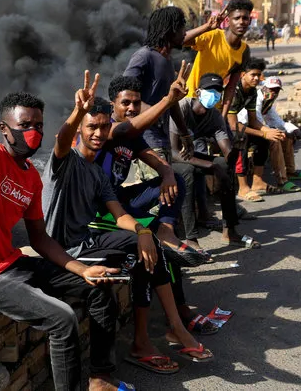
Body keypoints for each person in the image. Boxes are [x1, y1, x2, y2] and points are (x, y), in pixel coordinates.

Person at [0, 56, 132, 391]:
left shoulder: (32, 177)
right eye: (25, 125)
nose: (34, 133)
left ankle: (101, 377)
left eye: (39, 126)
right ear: (5, 129)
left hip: (12, 263)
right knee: (61, 319)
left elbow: (40, 239)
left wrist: (82, 270)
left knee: (100, 288)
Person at [42, 71, 213, 375]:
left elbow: (119, 212)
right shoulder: (67, 160)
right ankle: (163, 332)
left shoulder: (98, 174)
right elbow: (62, 139)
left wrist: (142, 229)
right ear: (82, 128)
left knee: (151, 246)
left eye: (102, 127)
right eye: (91, 126)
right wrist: (78, 112)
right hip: (64, 249)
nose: (98, 133)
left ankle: (157, 334)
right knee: (146, 251)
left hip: (89, 240)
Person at [92, 73, 219, 336]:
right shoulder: (108, 129)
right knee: (155, 248)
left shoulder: (133, 136)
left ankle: (166, 228)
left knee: (180, 178)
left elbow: (155, 159)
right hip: (97, 210)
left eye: (136, 103)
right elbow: (127, 129)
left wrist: (168, 173)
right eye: (125, 102)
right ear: (113, 104)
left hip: (118, 199)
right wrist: (168, 100)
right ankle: (180, 313)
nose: (131, 108)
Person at [123, 6, 221, 181]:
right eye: (182, 27)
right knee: (156, 201)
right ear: (169, 30)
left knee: (167, 198)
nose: (185, 32)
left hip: (163, 140)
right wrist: (157, 112)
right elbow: (125, 95)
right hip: (146, 142)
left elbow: (172, 102)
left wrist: (185, 134)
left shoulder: (167, 61)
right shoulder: (144, 57)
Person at [170, 73, 259, 251]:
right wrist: (210, 165)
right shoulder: (182, 107)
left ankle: (230, 231)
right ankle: (191, 238)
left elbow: (226, 151)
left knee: (225, 166)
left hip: (190, 155)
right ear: (198, 92)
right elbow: (173, 152)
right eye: (210, 90)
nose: (214, 94)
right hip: (167, 157)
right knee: (187, 171)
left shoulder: (215, 116)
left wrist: (235, 149)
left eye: (218, 91)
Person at [238, 77, 301, 190]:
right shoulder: (257, 100)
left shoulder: (267, 102)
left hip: (255, 130)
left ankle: (290, 172)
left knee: (287, 137)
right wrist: (273, 133)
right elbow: (257, 123)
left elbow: (277, 121)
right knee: (275, 140)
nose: (273, 93)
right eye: (271, 89)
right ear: (264, 88)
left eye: (276, 90)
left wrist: (292, 130)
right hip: (243, 132)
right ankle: (281, 180)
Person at [225, 58, 285, 202]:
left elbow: (253, 120)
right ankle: (243, 187)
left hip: (232, 126)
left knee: (263, 140)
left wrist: (269, 132)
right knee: (241, 138)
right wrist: (264, 132)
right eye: (253, 75)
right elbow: (233, 125)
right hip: (217, 127)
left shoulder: (251, 91)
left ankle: (257, 182)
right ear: (243, 74)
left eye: (259, 75)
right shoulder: (234, 90)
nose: (257, 78)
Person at [185, 0, 253, 119]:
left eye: (245, 18)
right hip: (192, 100)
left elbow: (231, 87)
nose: (241, 22)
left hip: (213, 107)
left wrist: (222, 117)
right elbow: (181, 40)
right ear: (228, 20)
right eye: (237, 18)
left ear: (250, 20)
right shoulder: (212, 36)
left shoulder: (244, 51)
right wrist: (207, 27)